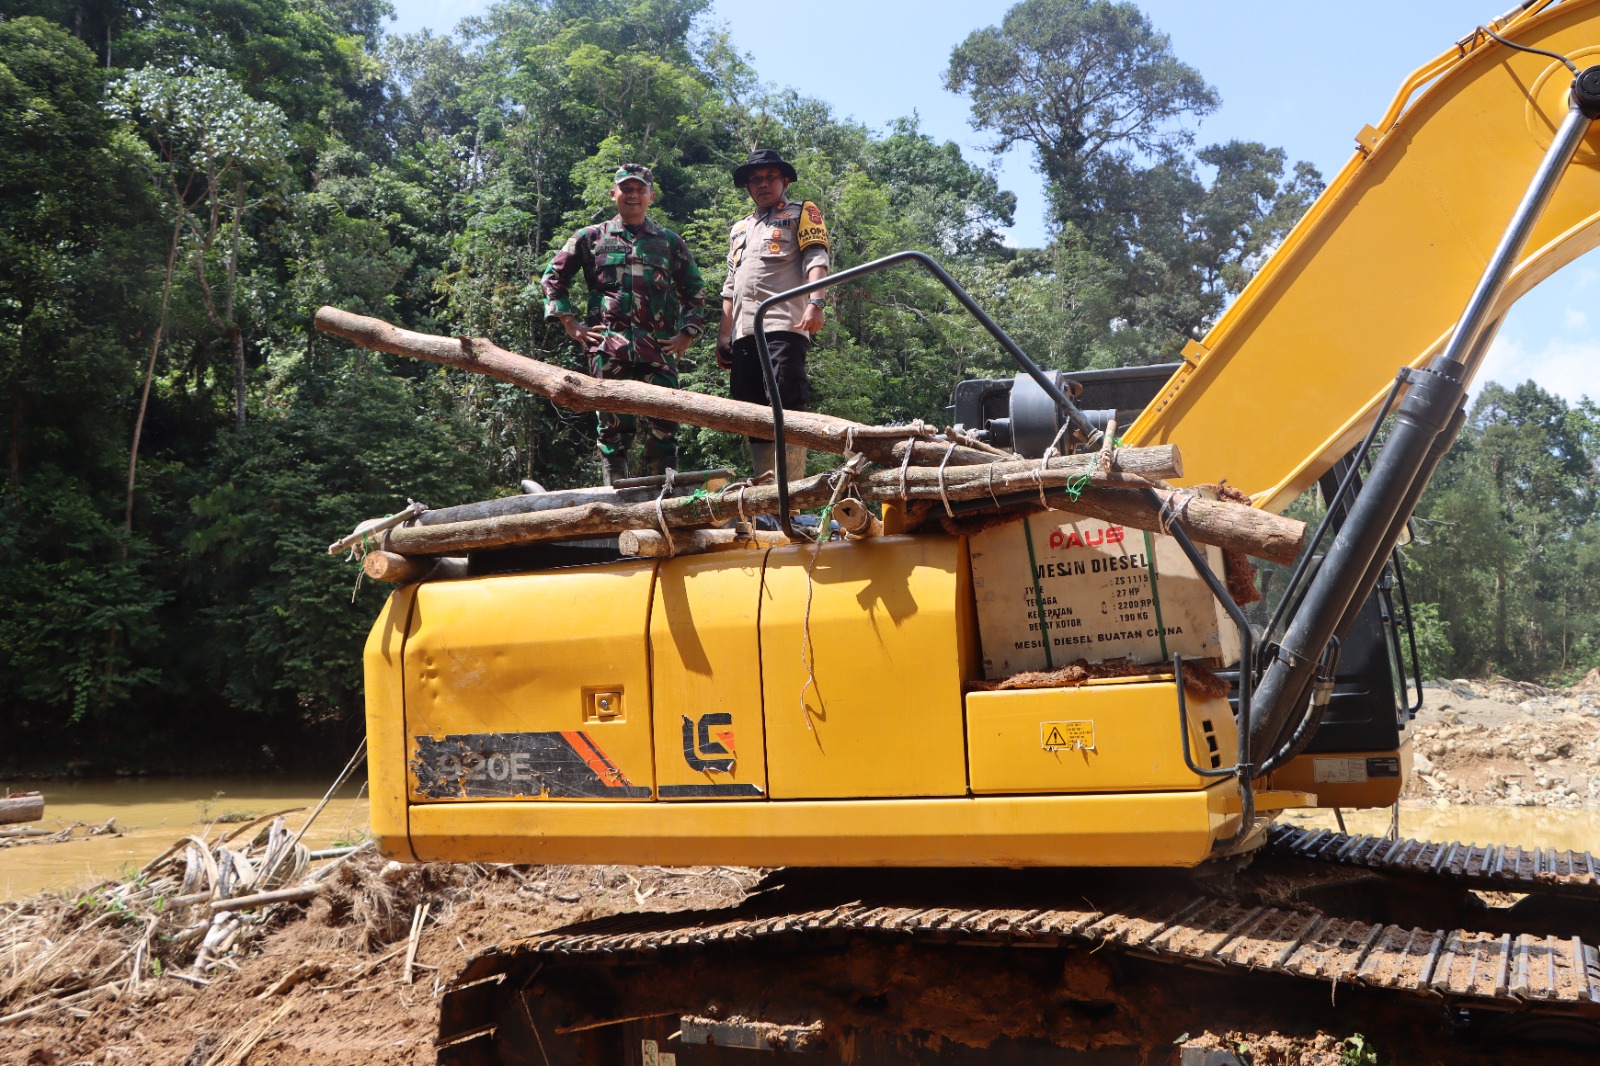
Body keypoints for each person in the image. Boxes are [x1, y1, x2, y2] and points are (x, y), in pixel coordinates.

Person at [542, 163, 706, 484]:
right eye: (626, 189)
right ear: (613, 193)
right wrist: (571, 325)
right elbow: (553, 277)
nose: (632, 195)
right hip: (608, 348)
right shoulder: (590, 237)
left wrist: (687, 334)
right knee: (613, 432)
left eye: (639, 189)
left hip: (658, 350)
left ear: (651, 196)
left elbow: (695, 290)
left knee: (665, 424)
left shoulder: (669, 242)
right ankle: (615, 501)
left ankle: (665, 496)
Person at [716, 148, 830, 481]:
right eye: (755, 180)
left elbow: (817, 259)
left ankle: (789, 494)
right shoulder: (740, 228)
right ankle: (766, 496)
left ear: (785, 181)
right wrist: (724, 335)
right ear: (748, 187)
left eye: (770, 178)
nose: (762, 185)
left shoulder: (802, 212)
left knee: (786, 402)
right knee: (750, 410)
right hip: (744, 333)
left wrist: (816, 303)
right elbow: (730, 285)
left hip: (784, 324)